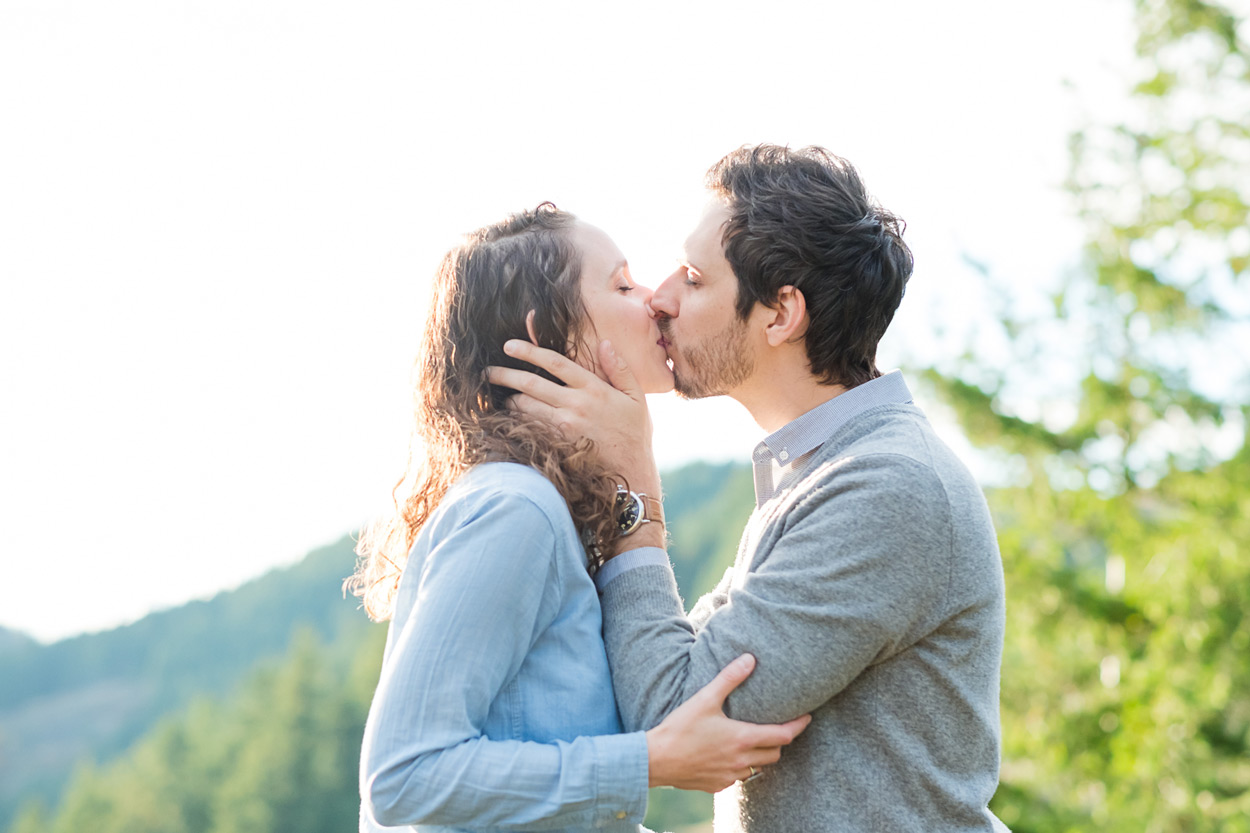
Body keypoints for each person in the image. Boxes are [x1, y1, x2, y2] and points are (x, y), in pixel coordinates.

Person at [489, 146, 1009, 832]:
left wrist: (632, 483)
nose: (661, 298)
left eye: (697, 278)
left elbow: (671, 707)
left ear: (780, 314)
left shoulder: (887, 486)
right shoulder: (817, 473)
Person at [349, 203, 810, 833]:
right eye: (622, 285)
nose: (654, 300)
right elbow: (403, 777)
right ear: (548, 335)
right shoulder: (516, 508)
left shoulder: (549, 507)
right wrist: (651, 759)